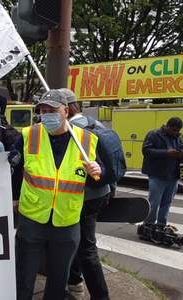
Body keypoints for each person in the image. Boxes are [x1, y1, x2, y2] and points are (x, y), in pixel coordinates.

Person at [11, 90, 101, 300]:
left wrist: (99, 170)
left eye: (51, 110)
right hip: (32, 219)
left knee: (58, 280)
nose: (46, 114)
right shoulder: (28, 135)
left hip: (66, 222)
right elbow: (13, 169)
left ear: (66, 111)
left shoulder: (87, 140)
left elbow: (104, 173)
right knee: (23, 277)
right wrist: (15, 197)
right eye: (43, 110)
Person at [61, 88, 110, 300]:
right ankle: (74, 282)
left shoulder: (72, 129)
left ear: (66, 109)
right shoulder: (93, 122)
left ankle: (99, 295)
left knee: (85, 248)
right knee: (79, 243)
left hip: (84, 194)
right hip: (101, 191)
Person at [142, 117, 183, 227]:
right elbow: (146, 151)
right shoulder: (154, 134)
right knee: (154, 203)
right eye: (174, 130)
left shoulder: (178, 137)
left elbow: (182, 151)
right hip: (157, 175)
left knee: (167, 203)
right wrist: (166, 153)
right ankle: (148, 224)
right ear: (168, 126)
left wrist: (180, 154)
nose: (176, 132)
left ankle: (161, 225)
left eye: (178, 131)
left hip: (173, 175)